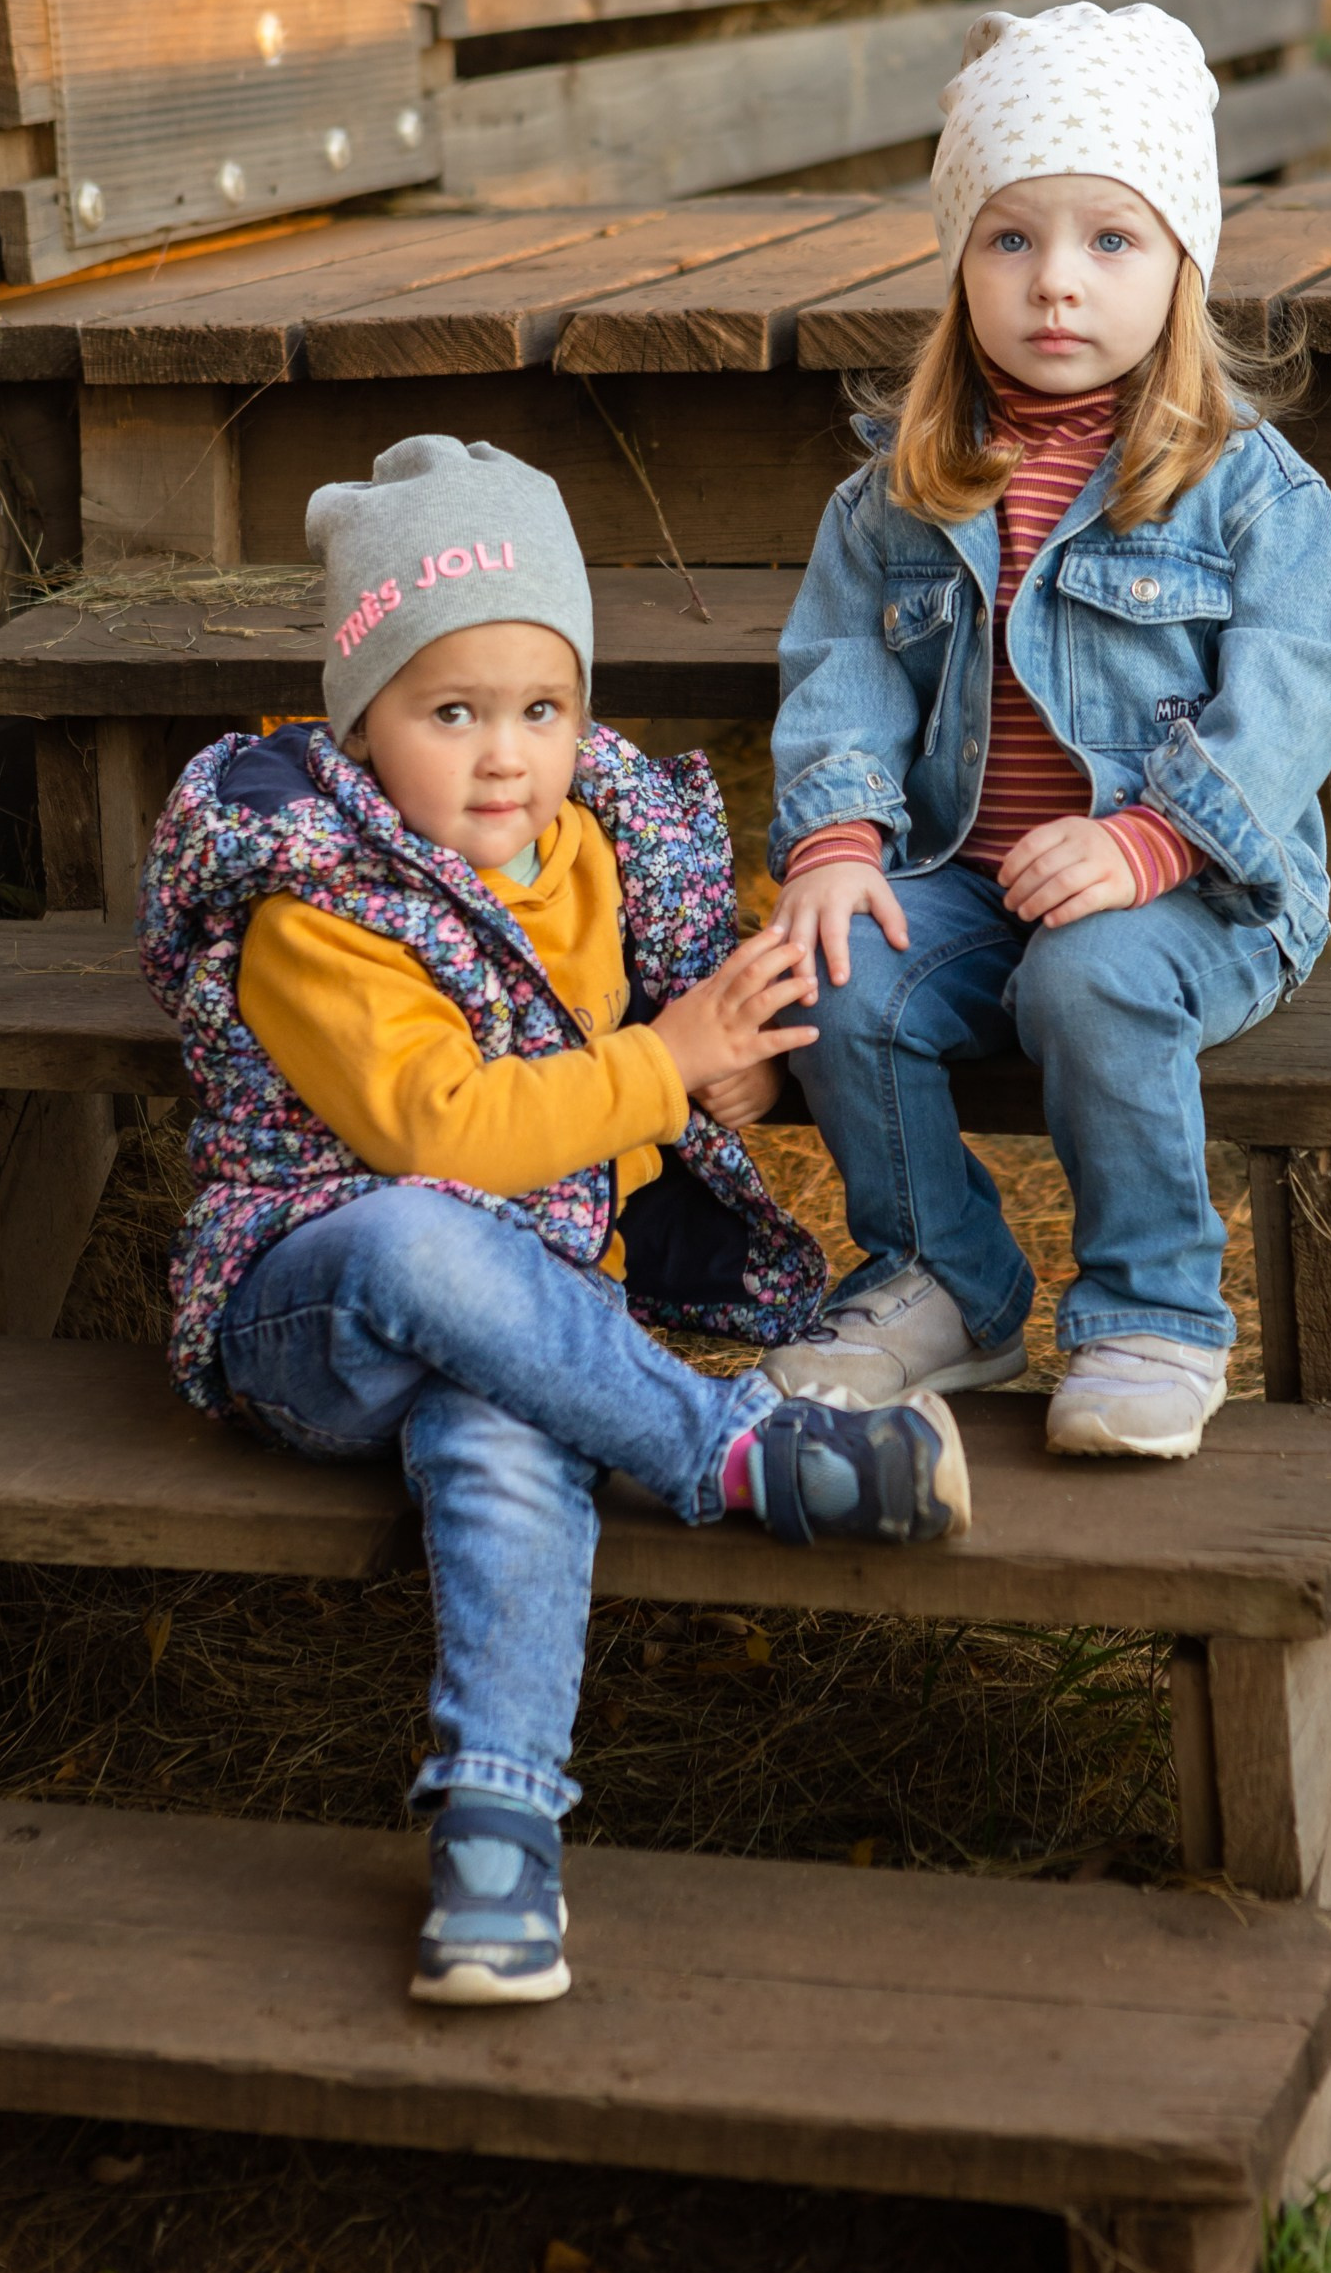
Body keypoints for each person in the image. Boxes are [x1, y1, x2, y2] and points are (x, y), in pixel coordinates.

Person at [138, 434, 970, 2010]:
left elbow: (638, 1084)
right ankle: (729, 1452)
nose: (505, 756)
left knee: (507, 1435)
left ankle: (497, 1842)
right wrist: (662, 1065)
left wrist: (722, 1084)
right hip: (311, 1300)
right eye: (450, 713)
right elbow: (441, 1135)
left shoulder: (599, 856)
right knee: (419, 1239)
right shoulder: (312, 903)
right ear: (361, 720)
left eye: (542, 709)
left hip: (522, 1312)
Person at [766, 2, 1331, 1461]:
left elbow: (1295, 693)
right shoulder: (897, 496)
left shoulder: (1250, 494)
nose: (1054, 284)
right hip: (980, 878)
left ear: (1181, 267)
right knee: (844, 977)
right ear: (960, 263)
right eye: (1010, 240)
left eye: (1111, 241)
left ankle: (1155, 1310)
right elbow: (843, 670)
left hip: (1203, 891)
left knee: (1090, 981)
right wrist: (839, 844)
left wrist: (1154, 838)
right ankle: (942, 1283)